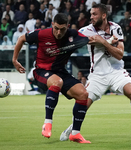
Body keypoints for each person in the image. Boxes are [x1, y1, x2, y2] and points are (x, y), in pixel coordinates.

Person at [60, 3, 131, 142]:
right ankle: (72, 128)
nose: (91, 17)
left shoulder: (116, 28)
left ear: (103, 15)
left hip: (117, 72)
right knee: (83, 103)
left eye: (94, 14)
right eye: (90, 14)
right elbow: (76, 42)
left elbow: (120, 54)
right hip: (97, 75)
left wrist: (103, 42)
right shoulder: (85, 30)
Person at [12, 13, 91, 144]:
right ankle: (47, 123)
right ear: (52, 25)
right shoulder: (41, 34)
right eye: (56, 28)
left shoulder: (73, 35)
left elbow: (91, 39)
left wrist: (109, 41)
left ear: (68, 27)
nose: (59, 32)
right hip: (41, 72)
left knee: (83, 94)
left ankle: (75, 134)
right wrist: (15, 60)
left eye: (62, 29)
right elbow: (21, 38)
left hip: (60, 72)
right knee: (57, 82)